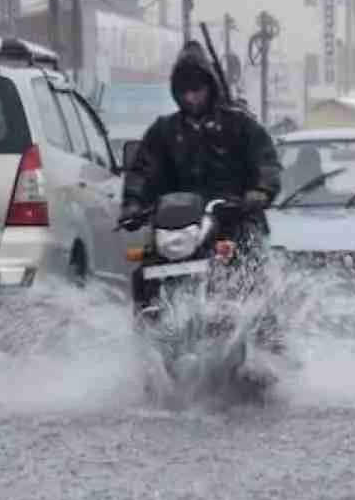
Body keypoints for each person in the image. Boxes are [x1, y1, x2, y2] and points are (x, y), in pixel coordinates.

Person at [121, 40, 285, 351]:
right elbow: (143, 169)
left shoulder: (239, 125)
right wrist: (133, 202)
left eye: (197, 89)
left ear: (210, 86)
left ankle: (267, 348)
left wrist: (259, 190)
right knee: (146, 266)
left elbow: (266, 160)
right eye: (184, 90)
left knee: (252, 261)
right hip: (181, 223)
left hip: (234, 216)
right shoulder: (165, 131)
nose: (191, 97)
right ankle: (148, 340)